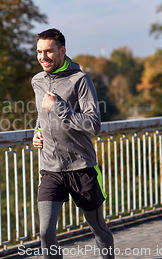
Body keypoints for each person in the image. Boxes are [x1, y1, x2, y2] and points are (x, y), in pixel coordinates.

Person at [32, 28, 114, 259]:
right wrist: (36, 133)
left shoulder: (80, 80)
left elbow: (93, 124)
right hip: (50, 170)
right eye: (39, 52)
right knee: (46, 232)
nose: (43, 57)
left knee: (98, 229)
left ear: (62, 50)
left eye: (48, 51)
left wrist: (58, 107)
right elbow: (41, 116)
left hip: (82, 168)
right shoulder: (37, 81)